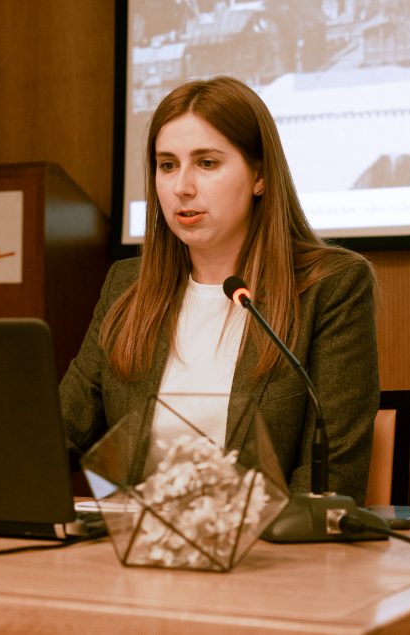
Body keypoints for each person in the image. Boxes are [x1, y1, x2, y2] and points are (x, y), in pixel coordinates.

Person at [60, 76, 380, 502]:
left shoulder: (331, 287)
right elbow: (63, 431)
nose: (182, 187)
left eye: (207, 163)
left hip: (267, 540)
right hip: (138, 538)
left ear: (259, 176)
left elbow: (329, 479)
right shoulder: (128, 286)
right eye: (167, 165)